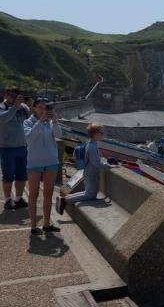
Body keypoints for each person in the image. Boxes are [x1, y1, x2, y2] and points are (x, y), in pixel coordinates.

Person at [24, 97, 62, 235]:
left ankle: (46, 224)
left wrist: (55, 121)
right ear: (34, 108)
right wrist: (40, 121)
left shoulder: (51, 123)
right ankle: (34, 226)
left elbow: (59, 135)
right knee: (33, 194)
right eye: (40, 107)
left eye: (45, 107)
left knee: (48, 194)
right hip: (34, 163)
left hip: (51, 162)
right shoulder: (28, 122)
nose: (43, 110)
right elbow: (29, 138)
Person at [59, 123, 106, 213]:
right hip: (91, 173)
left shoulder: (90, 144)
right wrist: (108, 166)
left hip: (88, 172)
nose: (103, 134)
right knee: (91, 195)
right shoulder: (92, 146)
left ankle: (65, 198)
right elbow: (96, 162)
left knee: (87, 192)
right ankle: (65, 200)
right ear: (96, 134)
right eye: (102, 132)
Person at [0, 87, 30, 211]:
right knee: (8, 175)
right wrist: (15, 107)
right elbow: (2, 119)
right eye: (12, 95)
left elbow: (29, 120)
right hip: (7, 148)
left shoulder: (23, 107)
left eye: (17, 95)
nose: (15, 97)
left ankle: (18, 198)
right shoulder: (2, 107)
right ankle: (7, 200)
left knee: (22, 175)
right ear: (6, 95)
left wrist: (31, 106)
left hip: (22, 147)